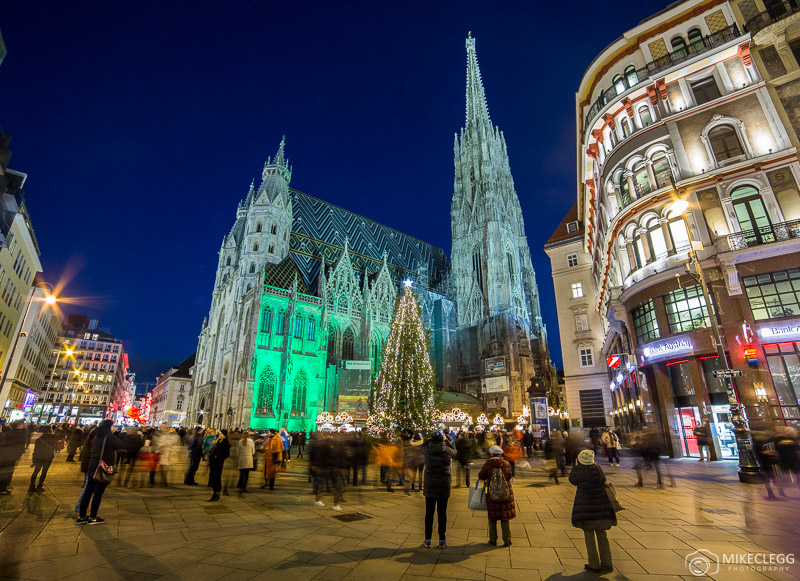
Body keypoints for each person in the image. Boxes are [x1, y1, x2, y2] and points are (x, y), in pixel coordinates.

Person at [569, 449, 615, 574]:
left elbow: (572, 480)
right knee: (602, 535)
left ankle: (594, 564)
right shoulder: (598, 469)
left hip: (586, 510)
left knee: (589, 536)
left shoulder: (579, 471)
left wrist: (576, 466)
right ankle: (607, 563)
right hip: (601, 509)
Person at [76, 419, 124, 525]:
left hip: (92, 466)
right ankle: (93, 517)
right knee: (98, 493)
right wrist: (118, 434)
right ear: (110, 427)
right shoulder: (109, 437)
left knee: (88, 491)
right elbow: (121, 444)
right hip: (102, 467)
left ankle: (82, 516)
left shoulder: (96, 436)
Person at [421, 432, 456, 549]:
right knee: (442, 513)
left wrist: (429, 440)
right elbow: (455, 451)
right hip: (443, 485)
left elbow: (422, 446)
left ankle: (427, 539)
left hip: (430, 485)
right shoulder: (447, 451)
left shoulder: (427, 451)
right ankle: (442, 540)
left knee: (429, 513)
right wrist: (446, 441)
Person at [478, 445, 516, 546]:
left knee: (492, 516)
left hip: (491, 492)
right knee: (504, 517)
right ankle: (507, 539)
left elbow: (481, 475)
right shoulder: (506, 463)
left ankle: (493, 539)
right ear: (501, 454)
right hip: (505, 492)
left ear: (491, 454)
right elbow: (510, 476)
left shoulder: (488, 464)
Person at [29, 425, 63, 492]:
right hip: (48, 457)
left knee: (35, 472)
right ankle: (40, 485)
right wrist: (59, 429)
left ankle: (31, 486)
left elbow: (35, 450)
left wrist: (34, 459)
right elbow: (62, 436)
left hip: (39, 457)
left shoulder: (38, 439)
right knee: (44, 472)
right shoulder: (52, 437)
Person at [0, 420, 27, 495]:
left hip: (9, 455)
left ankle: (4, 488)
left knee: (6, 472)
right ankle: (2, 489)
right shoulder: (17, 434)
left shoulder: (11, 433)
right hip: (10, 456)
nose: (24, 424)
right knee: (6, 473)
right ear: (18, 425)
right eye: (22, 423)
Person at [207, 429, 231, 501]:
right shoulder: (218, 441)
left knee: (217, 478)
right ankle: (214, 493)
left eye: (221, 434)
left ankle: (217, 494)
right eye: (219, 434)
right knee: (214, 478)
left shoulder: (225, 442)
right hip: (213, 462)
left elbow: (226, 453)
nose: (219, 435)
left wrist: (219, 457)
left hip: (218, 463)